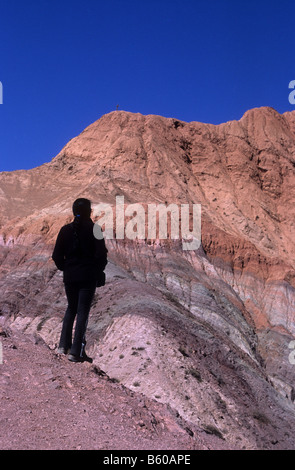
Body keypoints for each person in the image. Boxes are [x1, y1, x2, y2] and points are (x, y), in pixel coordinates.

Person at [52, 198, 108, 363]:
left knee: (71, 308)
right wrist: (98, 271)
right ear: (89, 211)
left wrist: (66, 268)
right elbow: (101, 255)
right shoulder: (95, 229)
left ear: (73, 210)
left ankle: (63, 346)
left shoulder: (65, 230)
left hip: (70, 276)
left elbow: (56, 256)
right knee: (82, 311)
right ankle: (76, 352)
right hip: (88, 276)